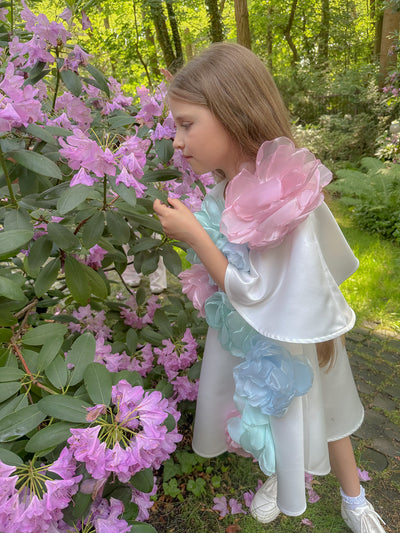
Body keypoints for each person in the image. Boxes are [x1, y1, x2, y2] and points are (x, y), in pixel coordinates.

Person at [153, 42, 386, 533]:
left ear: (234, 113)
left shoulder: (285, 192)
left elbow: (264, 286)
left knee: (328, 411)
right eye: (176, 126)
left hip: (295, 329)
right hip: (249, 330)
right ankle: (281, 477)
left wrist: (196, 233)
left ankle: (354, 498)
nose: (176, 140)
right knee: (265, 407)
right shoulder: (221, 191)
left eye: (187, 123)